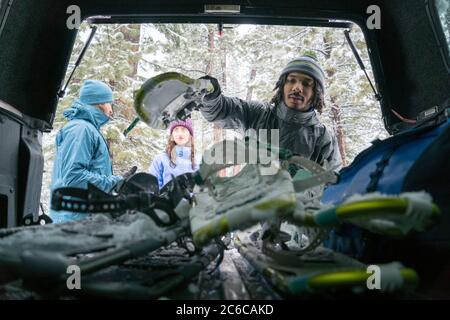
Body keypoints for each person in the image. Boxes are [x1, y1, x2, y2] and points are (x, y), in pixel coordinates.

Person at [200, 54, 342, 170]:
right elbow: (221, 111)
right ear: (282, 85)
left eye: (306, 83)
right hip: (253, 203)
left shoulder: (323, 138)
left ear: (315, 93)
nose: (297, 88)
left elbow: (332, 185)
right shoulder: (259, 114)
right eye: (291, 80)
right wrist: (210, 97)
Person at [49, 80, 135, 223]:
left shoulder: (87, 129)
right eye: (109, 103)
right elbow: (74, 177)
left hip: (84, 218)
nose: (111, 110)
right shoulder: (81, 129)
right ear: (99, 102)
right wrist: (115, 182)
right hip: (75, 221)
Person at [149, 119, 200, 190]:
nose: (180, 133)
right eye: (176, 130)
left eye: (183, 129)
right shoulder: (160, 159)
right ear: (172, 135)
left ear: (190, 135)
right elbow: (152, 188)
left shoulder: (200, 160)